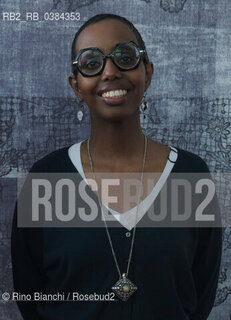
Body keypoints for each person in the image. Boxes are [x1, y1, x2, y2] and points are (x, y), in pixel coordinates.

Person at [11, 13, 222, 320]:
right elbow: (30, 296)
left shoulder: (192, 176)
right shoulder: (45, 179)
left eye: (125, 57)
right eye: (91, 63)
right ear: (77, 86)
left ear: (147, 73)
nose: (109, 71)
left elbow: (199, 296)